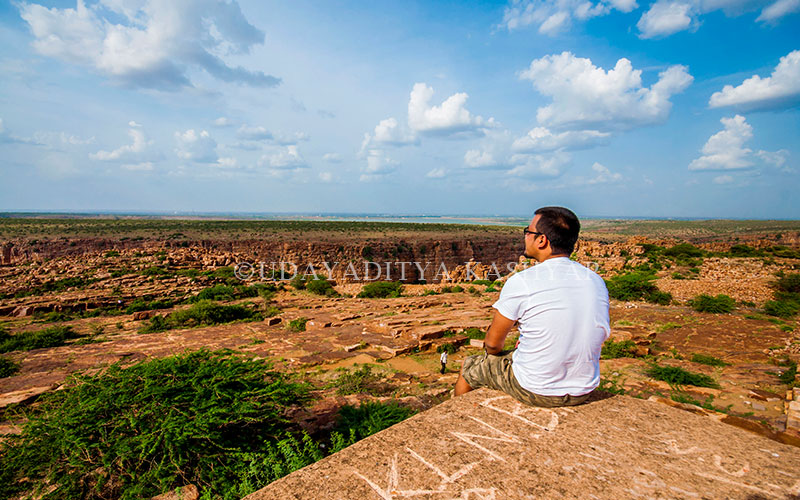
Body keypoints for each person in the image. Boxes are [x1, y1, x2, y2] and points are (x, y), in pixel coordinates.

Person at [453, 206, 610, 407]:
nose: (525, 236)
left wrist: (494, 358)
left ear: (542, 240)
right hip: (584, 389)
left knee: (469, 368)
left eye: (528, 231)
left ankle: (458, 416)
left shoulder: (523, 281)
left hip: (536, 389)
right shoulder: (595, 280)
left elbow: (493, 344)